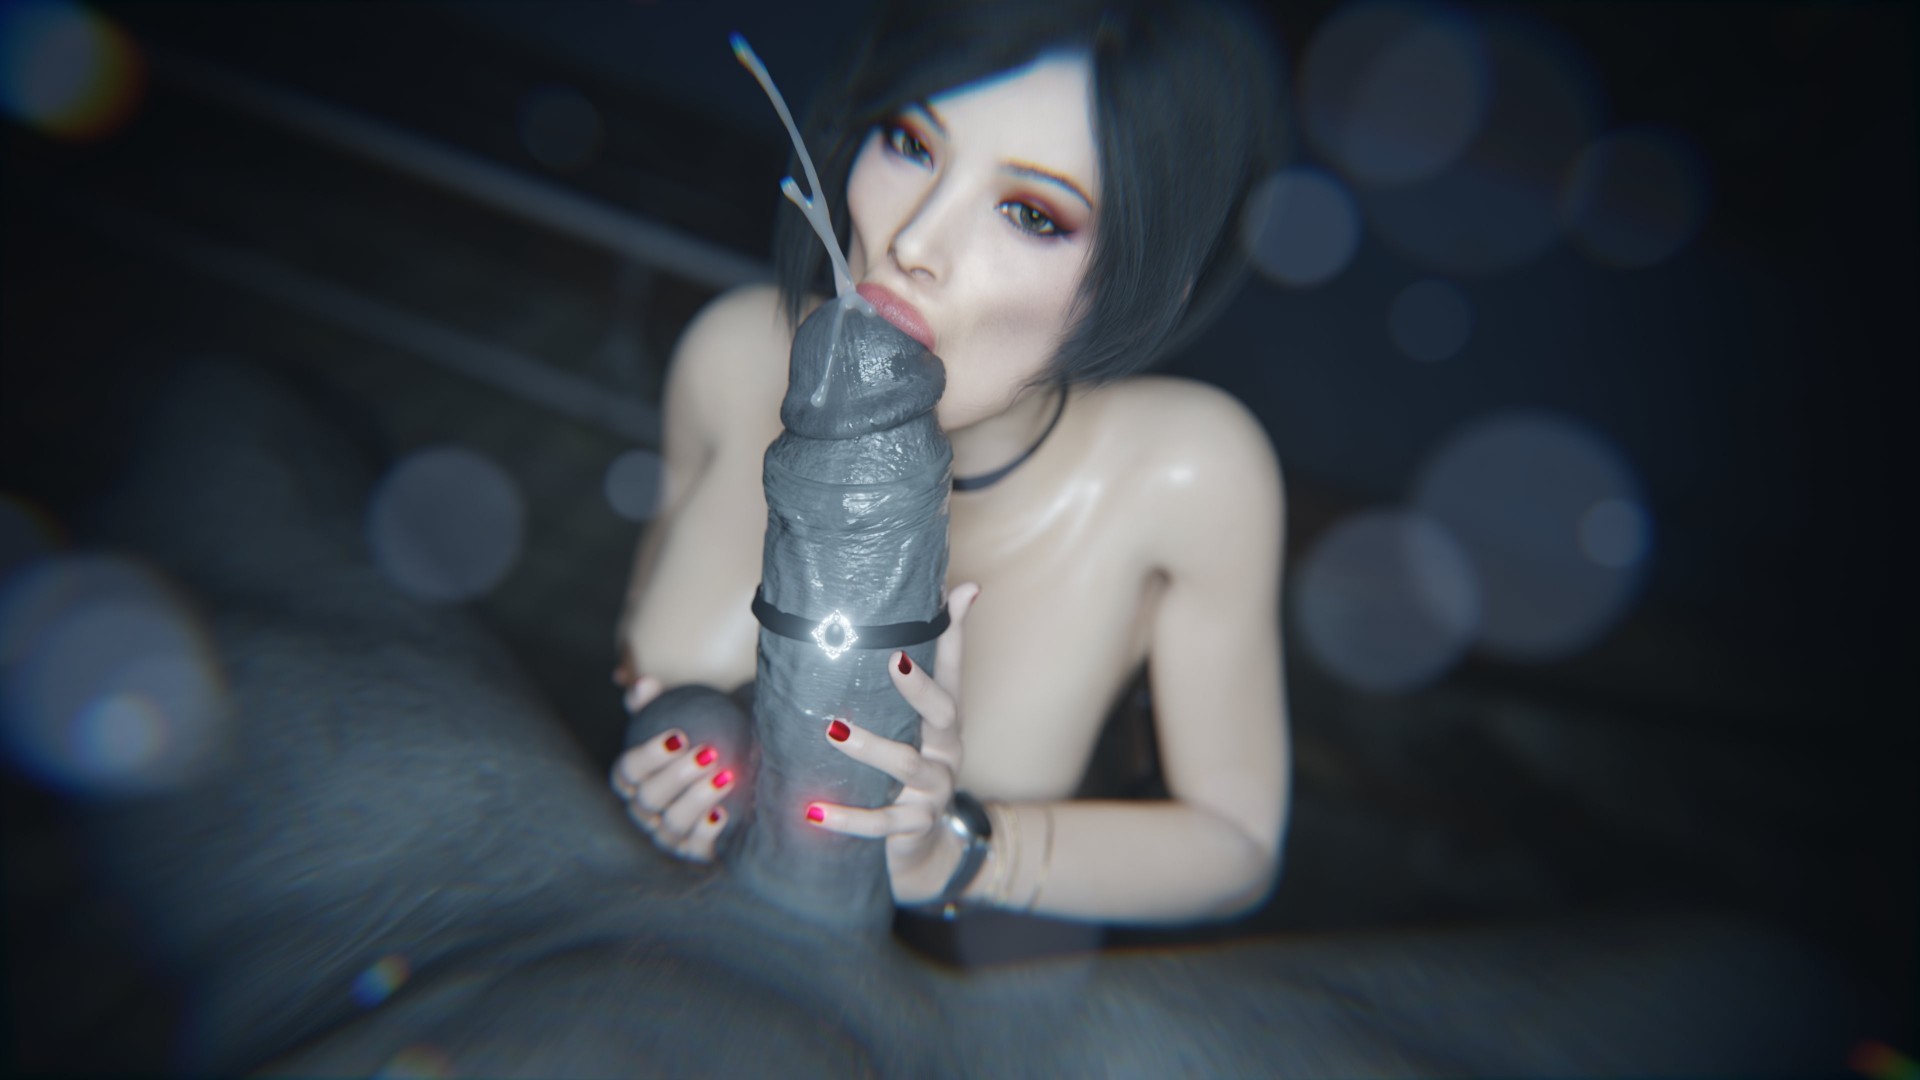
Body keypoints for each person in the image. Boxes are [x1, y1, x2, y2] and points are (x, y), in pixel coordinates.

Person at [612, 0, 1290, 924]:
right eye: (910, 143)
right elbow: (639, 640)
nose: (914, 243)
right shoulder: (731, 356)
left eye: (1030, 213)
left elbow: (1236, 843)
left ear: (1147, 280)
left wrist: (961, 853)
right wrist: (676, 755)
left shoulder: (1185, 478)